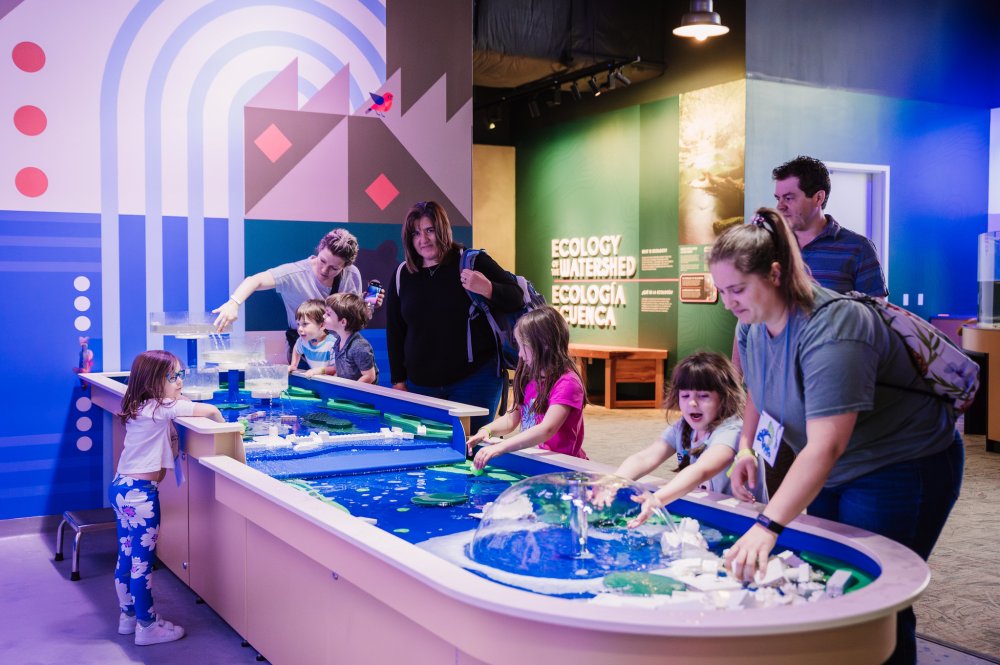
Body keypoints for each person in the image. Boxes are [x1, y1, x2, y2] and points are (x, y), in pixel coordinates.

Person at [712, 207, 962, 665]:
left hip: (901, 462)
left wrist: (768, 525)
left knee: (876, 597)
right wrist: (746, 446)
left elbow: (827, 443)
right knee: (831, 579)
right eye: (722, 291)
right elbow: (757, 389)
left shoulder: (835, 325)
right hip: (834, 468)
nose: (729, 301)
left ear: (775, 273)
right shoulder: (750, 324)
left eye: (738, 289)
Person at [111, 350, 224, 646]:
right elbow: (209, 411)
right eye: (173, 377)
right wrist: (225, 425)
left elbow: (175, 413)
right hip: (141, 497)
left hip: (121, 489)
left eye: (181, 376)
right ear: (153, 381)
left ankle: (129, 617)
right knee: (142, 563)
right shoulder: (161, 408)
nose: (179, 383)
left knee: (126, 557)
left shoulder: (138, 406)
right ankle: (147, 627)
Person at [386, 200, 523, 432]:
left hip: (474, 380)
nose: (423, 239)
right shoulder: (402, 274)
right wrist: (398, 381)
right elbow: (395, 331)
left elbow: (516, 296)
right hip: (420, 385)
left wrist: (488, 287)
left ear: (443, 230)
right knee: (428, 450)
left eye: (430, 230)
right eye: (416, 233)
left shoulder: (472, 261)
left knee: (472, 450)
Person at [617, 351, 763, 528]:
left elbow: (700, 470)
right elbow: (647, 457)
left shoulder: (732, 430)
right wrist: (615, 481)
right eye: (685, 396)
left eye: (703, 396)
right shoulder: (683, 426)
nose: (692, 403)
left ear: (724, 397)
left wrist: (658, 498)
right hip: (712, 512)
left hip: (744, 518)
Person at [211, 229, 380, 354]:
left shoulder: (352, 274)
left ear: (345, 266)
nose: (324, 270)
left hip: (340, 350)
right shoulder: (295, 273)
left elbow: (354, 320)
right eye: (322, 261)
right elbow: (255, 280)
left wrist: (367, 306)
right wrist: (234, 303)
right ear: (319, 250)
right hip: (304, 349)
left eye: (334, 268)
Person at [467, 306, 587, 469]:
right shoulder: (528, 375)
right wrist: (486, 431)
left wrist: (501, 447)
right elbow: (511, 418)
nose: (520, 355)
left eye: (524, 346)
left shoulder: (567, 383)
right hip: (535, 460)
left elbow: (547, 429)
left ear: (544, 345)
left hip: (562, 466)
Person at [772, 155, 888, 297]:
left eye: (789, 198)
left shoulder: (859, 249)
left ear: (818, 198)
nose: (779, 207)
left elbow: (876, 313)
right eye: (778, 198)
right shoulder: (769, 245)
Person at [322, 292, 378, 383]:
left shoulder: (359, 346)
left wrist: (351, 391)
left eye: (328, 314)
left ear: (343, 322)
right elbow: (341, 368)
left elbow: (369, 376)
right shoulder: (339, 341)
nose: (323, 316)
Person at [289, 299, 337, 376]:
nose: (299, 329)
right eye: (298, 324)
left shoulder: (332, 344)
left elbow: (336, 369)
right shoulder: (303, 341)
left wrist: (318, 371)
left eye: (305, 324)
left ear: (322, 325)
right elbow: (297, 349)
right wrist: (293, 365)